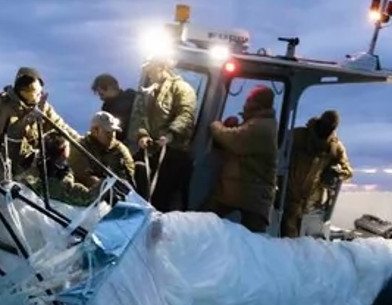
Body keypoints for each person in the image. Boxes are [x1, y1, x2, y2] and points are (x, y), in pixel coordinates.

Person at [205, 86, 279, 233]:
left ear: (257, 103)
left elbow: (233, 140)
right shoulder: (258, 123)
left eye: (249, 100)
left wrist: (216, 126)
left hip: (250, 196)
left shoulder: (261, 127)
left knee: (251, 243)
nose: (245, 104)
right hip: (245, 192)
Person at [129, 60, 197, 211]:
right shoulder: (149, 92)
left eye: (151, 70)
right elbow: (140, 116)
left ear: (161, 67)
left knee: (163, 198)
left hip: (172, 153)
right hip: (150, 150)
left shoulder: (183, 89)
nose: (149, 74)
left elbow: (186, 115)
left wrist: (171, 134)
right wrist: (142, 135)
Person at [0, 67, 80, 170]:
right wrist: (26, 121)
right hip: (9, 164)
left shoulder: (42, 106)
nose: (40, 95)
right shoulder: (2, 107)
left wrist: (80, 141)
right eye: (37, 92)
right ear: (23, 91)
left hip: (37, 161)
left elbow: (60, 126)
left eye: (41, 91)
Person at [280, 110, 354, 238]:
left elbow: (347, 171)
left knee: (306, 242)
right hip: (287, 196)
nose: (326, 129)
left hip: (312, 204)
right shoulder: (298, 136)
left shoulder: (334, 148)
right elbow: (278, 150)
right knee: (286, 237)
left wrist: (337, 171)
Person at [19, 132, 98, 207]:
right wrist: (101, 184)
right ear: (64, 152)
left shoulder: (31, 162)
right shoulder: (59, 183)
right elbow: (88, 198)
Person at [69, 111, 135, 188]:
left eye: (113, 132)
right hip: (91, 195)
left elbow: (128, 175)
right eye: (107, 132)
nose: (112, 136)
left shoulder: (121, 149)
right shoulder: (80, 148)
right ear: (94, 131)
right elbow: (83, 176)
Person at [90, 73, 138, 139]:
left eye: (101, 94)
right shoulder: (106, 107)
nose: (101, 98)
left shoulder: (131, 95)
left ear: (110, 87)